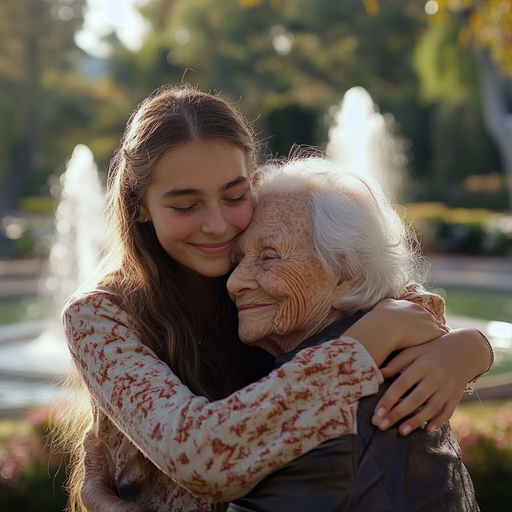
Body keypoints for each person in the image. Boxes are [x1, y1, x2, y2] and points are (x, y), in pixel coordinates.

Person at [57, 83, 492, 512]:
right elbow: (202, 456)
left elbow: (387, 289)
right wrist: (361, 346)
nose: (217, 225)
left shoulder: (260, 251)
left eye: (234, 194)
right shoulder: (99, 314)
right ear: (139, 205)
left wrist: (470, 348)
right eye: (185, 206)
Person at [224, 157, 480, 511]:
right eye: (237, 260)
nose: (235, 282)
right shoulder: (388, 356)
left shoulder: (328, 411)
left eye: (269, 256)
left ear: (348, 274)